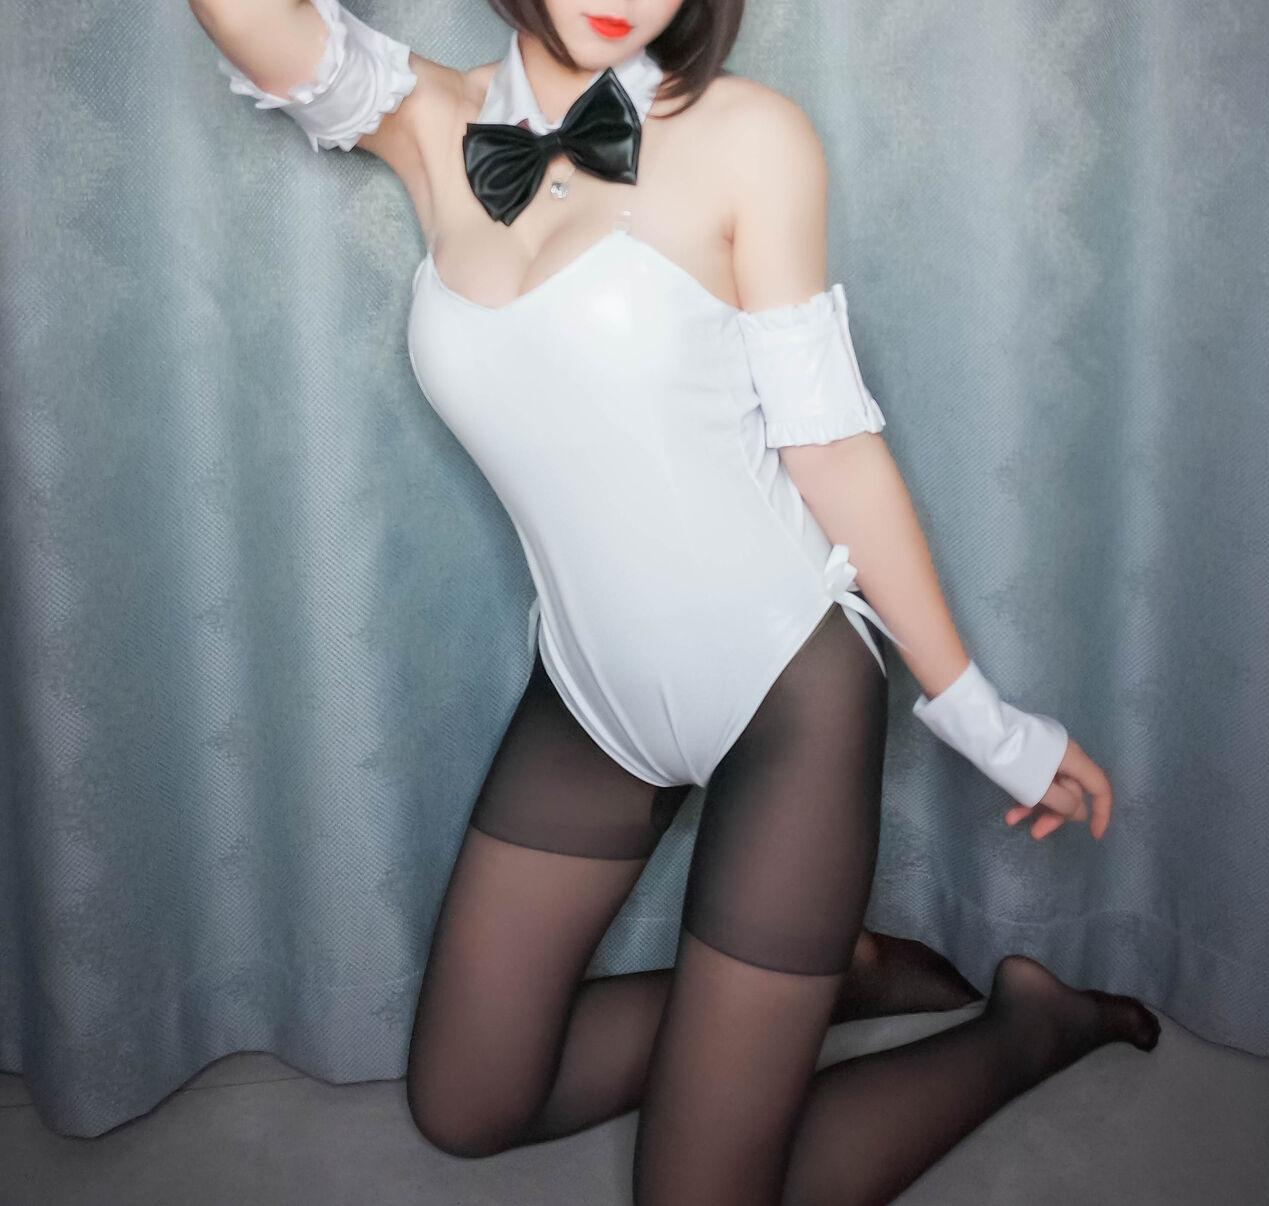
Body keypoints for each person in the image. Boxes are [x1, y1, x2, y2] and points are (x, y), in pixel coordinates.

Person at [192, 1, 1161, 1201]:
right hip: (588, 691)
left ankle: (1023, 1030)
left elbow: (831, 450)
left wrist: (985, 722)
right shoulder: (428, 120)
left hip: (785, 699)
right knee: (463, 1105)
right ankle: (829, 977)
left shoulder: (749, 137)